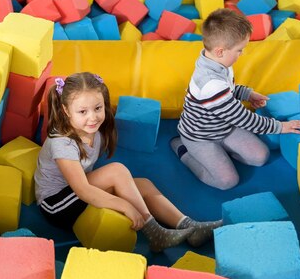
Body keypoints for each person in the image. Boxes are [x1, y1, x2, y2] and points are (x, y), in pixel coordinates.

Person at [34, 72, 222, 252]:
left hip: (74, 192)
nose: (93, 117)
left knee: (143, 185)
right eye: (82, 111)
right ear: (66, 110)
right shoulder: (62, 142)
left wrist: (120, 191)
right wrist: (126, 206)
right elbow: (82, 189)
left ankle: (190, 227)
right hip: (56, 205)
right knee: (117, 171)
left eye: (98, 108)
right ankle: (154, 231)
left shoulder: (95, 132)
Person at [171, 9, 300, 190]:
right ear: (220, 51)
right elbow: (242, 118)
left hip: (224, 127)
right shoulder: (209, 82)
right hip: (200, 137)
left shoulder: (217, 61)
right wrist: (280, 127)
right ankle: (183, 149)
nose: (242, 54)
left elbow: (228, 91)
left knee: (260, 156)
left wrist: (247, 94)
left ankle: (222, 153)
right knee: (227, 181)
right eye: (239, 50)